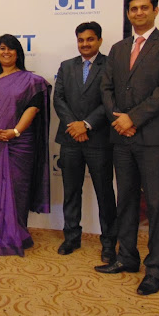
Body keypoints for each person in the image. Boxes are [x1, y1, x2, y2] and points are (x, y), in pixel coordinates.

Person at [95, 0, 159, 296]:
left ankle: (156, 269)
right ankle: (127, 258)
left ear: (155, 10)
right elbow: (105, 89)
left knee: (157, 204)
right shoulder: (119, 49)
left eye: (144, 8)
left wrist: (132, 118)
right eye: (133, 9)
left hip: (154, 138)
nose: (138, 13)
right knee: (127, 201)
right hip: (121, 137)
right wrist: (118, 119)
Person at [0, 34, 51, 256]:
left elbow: (32, 109)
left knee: (16, 189)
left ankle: (14, 233)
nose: (6, 52)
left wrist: (15, 131)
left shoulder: (31, 81)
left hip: (19, 144)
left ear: (18, 53)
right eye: (2, 48)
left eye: (11, 49)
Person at [53, 22, 116, 261]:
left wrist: (86, 124)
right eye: (81, 40)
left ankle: (109, 242)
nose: (85, 44)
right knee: (71, 191)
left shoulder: (111, 65)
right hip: (70, 139)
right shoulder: (66, 66)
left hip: (99, 139)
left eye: (90, 39)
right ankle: (71, 237)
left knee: (104, 193)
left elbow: (111, 100)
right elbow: (58, 99)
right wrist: (74, 126)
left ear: (99, 40)